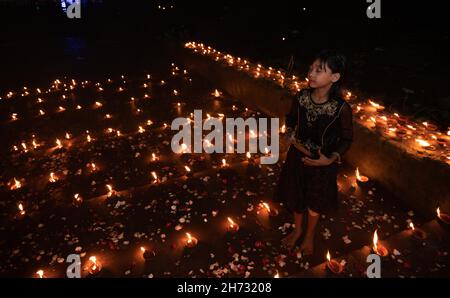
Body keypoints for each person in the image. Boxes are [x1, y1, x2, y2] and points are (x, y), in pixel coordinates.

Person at [274, 49, 353, 255]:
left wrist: (331, 159)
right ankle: (298, 229)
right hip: (297, 157)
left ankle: (309, 236)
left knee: (315, 203)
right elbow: (291, 119)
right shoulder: (301, 96)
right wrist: (289, 133)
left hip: (322, 163)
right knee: (296, 195)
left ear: (334, 77)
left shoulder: (340, 108)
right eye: (311, 68)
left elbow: (346, 139)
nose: (311, 73)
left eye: (319, 70)